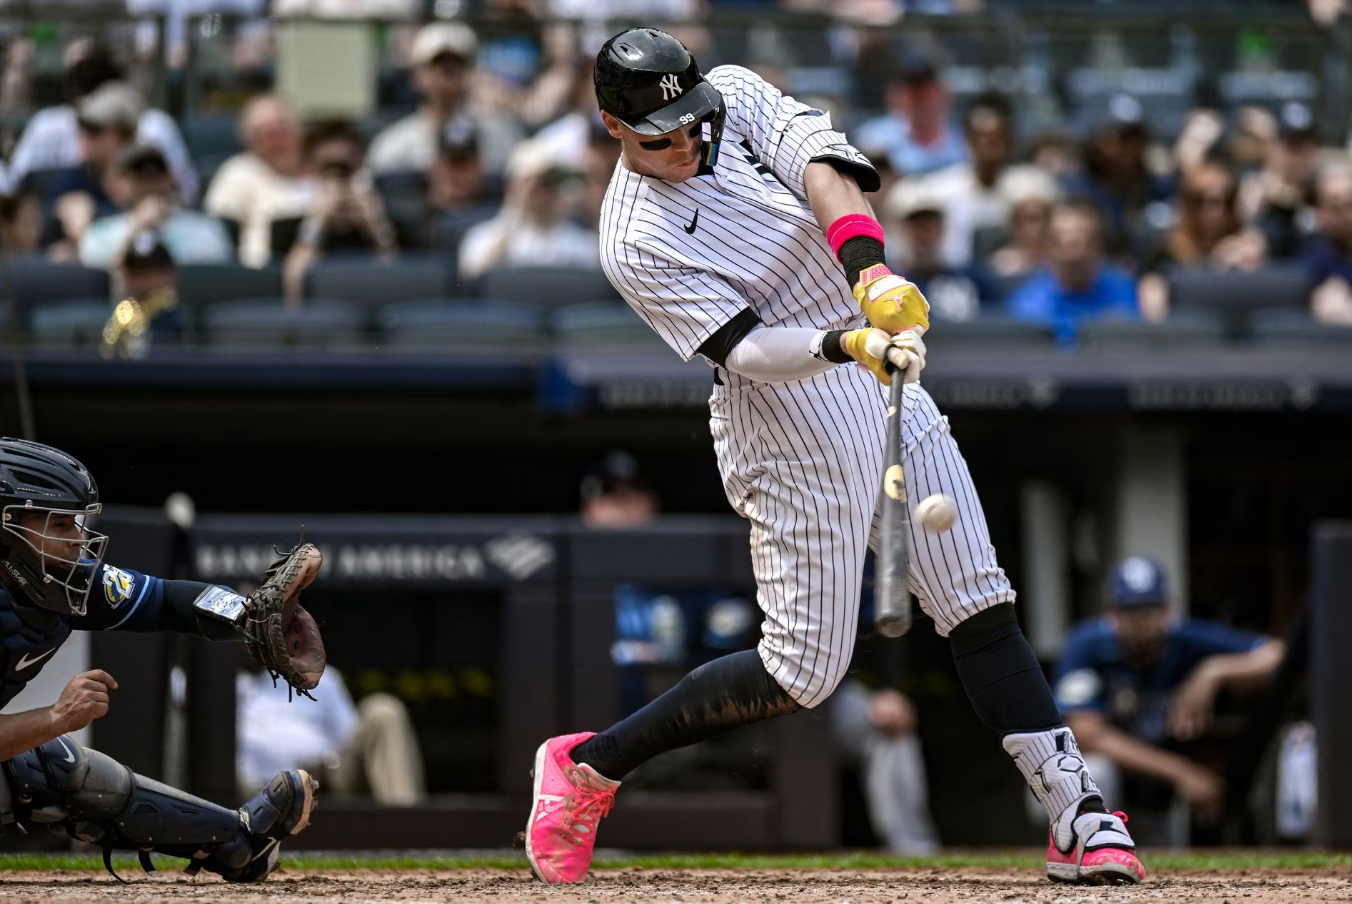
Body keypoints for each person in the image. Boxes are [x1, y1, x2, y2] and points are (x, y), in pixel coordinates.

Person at [523, 27, 1144, 888]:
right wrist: (849, 340)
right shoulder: (632, 239)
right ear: (613, 128)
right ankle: (589, 765)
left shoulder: (732, 97)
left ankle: (1077, 813)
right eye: (661, 133)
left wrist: (873, 275)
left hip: (875, 375)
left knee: (976, 600)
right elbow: (742, 350)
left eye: (690, 118)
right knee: (802, 674)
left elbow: (826, 171)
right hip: (785, 426)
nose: (687, 139)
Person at [0, 437, 318, 881]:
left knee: (53, 764)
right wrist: (55, 716)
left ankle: (237, 841)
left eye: (75, 523)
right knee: (34, 760)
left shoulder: (56, 580)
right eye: (58, 526)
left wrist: (249, 616)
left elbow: (168, 600)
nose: (78, 540)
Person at [1054, 556, 1285, 827]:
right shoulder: (1086, 644)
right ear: (1112, 614)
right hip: (1119, 778)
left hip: (1165, 788)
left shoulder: (1185, 638)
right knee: (1093, 771)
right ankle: (1075, 850)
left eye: (1149, 609)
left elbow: (1278, 654)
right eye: (1130, 610)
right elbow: (1086, 735)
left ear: (1167, 611)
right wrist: (1181, 772)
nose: (1141, 621)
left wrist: (1215, 670)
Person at [1, 44, 197, 202]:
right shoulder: (74, 178)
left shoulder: (155, 130)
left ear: (123, 132)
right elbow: (15, 191)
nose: (85, 138)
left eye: (95, 131)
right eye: (85, 129)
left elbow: (186, 192)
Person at [238, 659, 426, 806]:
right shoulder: (212, 682)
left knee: (383, 711)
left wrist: (326, 761)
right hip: (254, 791)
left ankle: (408, 828)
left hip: (323, 777)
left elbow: (348, 740)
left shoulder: (315, 674)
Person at [368, 22, 522, 180]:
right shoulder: (393, 147)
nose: (448, 71)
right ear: (416, 76)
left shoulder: (502, 139)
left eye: (458, 63)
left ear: (472, 72)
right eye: (438, 63)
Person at [280, 120, 399, 303]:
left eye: (344, 168)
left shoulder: (392, 221)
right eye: (326, 168)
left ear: (361, 166)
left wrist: (376, 228)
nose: (336, 180)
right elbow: (292, 293)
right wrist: (315, 223)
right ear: (310, 171)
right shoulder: (286, 223)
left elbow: (401, 282)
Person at [1136, 159, 1268, 322]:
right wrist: (1213, 266)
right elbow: (1154, 313)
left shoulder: (1247, 244)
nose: (1215, 213)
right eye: (1200, 202)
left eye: (1225, 202)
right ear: (1186, 203)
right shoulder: (1163, 250)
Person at [457, 139, 597, 282]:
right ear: (510, 186)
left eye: (549, 182)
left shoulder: (578, 240)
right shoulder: (483, 237)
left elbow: (600, 271)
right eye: (533, 183)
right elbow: (472, 275)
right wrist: (516, 203)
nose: (542, 191)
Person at [1006, 199, 1139, 345]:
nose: (1072, 253)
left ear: (1099, 245)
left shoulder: (1124, 295)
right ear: (1047, 246)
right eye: (1059, 242)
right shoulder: (1028, 303)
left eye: (1082, 242)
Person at [79, 144, 233, 269]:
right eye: (139, 175)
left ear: (171, 179)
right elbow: (107, 283)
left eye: (157, 173)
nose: (149, 180)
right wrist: (138, 229)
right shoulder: (99, 235)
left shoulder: (206, 230)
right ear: (120, 185)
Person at [203, 93, 312, 268]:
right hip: (266, 272)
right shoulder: (237, 173)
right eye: (262, 135)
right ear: (248, 141)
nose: (275, 141)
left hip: (330, 270)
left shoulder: (325, 168)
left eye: (281, 129)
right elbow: (218, 234)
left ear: (299, 131)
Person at [882, 178, 998, 321]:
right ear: (898, 230)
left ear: (943, 229)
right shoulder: (883, 286)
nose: (925, 236)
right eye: (917, 226)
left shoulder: (971, 280)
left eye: (931, 225)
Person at [854, 49, 966, 177]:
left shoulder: (963, 139)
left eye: (924, 90)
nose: (917, 99)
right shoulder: (873, 139)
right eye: (909, 91)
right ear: (894, 96)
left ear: (942, 93)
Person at [101, 229, 188, 358]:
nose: (142, 280)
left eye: (151, 272)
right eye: (134, 272)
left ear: (170, 274)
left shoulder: (179, 319)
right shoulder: (121, 312)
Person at [1302, 160, 1352, 325]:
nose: (1346, 215)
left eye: (1350, 204)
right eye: (1336, 206)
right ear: (1320, 213)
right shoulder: (1308, 257)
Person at [579, 450, 660, 529]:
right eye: (615, 481)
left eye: (627, 481)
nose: (621, 486)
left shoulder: (643, 502)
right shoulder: (598, 505)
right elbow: (591, 523)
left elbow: (647, 522)